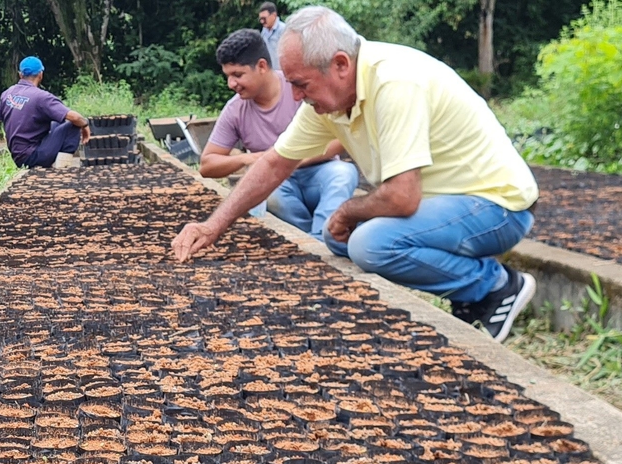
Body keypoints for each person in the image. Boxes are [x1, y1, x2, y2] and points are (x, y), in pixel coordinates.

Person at [171, 6, 539, 343]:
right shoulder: (330, 100)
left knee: (369, 243)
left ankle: (495, 287)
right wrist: (212, 226)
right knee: (338, 239)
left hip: (496, 207)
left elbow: (401, 196)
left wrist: (347, 211)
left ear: (341, 65)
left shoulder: (395, 83)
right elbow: (274, 163)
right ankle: (471, 298)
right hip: (445, 206)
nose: (295, 96)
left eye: (301, 83)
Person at [199, 28, 357, 240]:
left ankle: (323, 236)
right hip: (278, 181)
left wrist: (289, 160)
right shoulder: (235, 109)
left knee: (343, 173)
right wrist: (251, 158)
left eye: (238, 75)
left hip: (318, 172)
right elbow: (207, 164)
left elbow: (340, 138)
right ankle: (306, 240)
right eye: (227, 76)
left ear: (262, 66)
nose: (231, 84)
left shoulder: (299, 86)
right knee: (271, 192)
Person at [0, 56, 90, 168]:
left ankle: (53, 163)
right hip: (33, 156)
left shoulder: (8, 93)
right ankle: (61, 168)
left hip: (18, 157)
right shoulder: (41, 97)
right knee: (73, 125)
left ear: (20, 75)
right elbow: (76, 118)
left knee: (57, 122)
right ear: (40, 74)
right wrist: (85, 125)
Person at [257, 2, 285, 67]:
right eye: (260, 19)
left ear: (273, 15)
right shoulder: (264, 31)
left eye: (264, 18)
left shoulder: (283, 30)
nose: (262, 21)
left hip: (282, 71)